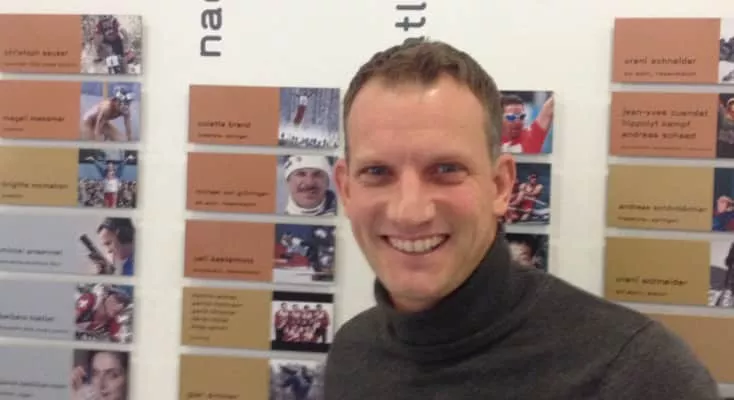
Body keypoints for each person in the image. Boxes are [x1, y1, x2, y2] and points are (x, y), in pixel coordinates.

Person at [324, 37, 719, 399]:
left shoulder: (639, 374)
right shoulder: (352, 352)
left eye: (446, 169)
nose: (410, 212)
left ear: (500, 186)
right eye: (377, 172)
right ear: (346, 188)